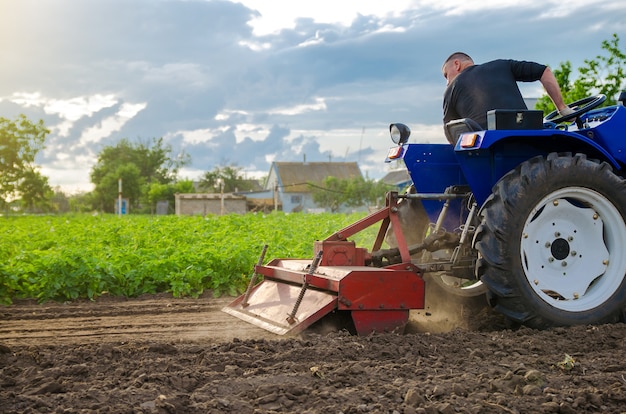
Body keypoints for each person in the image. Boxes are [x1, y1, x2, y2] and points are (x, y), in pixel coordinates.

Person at [441, 52, 574, 144]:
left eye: (446, 75)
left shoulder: (451, 89)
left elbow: (451, 133)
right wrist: (562, 108)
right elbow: (545, 71)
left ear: (457, 64)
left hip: (488, 147)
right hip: (530, 137)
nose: (447, 82)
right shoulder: (502, 65)